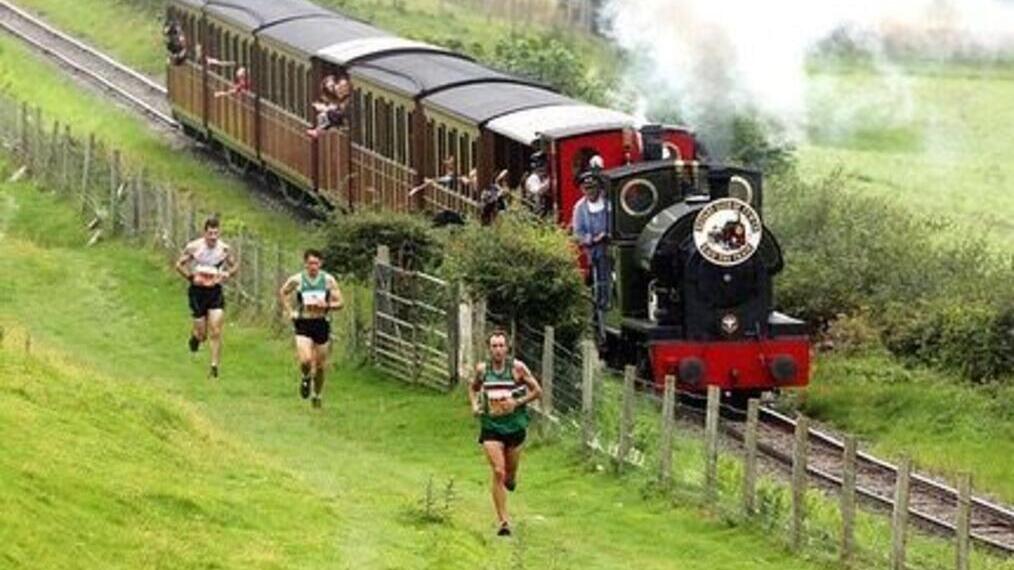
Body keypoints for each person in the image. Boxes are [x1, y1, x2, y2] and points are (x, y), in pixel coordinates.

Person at [468, 329, 542, 537]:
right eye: (494, 346)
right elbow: (473, 388)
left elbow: (537, 391)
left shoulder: (517, 368)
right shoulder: (483, 370)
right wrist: (474, 405)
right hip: (491, 427)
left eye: (501, 346)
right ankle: (503, 521)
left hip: (515, 427)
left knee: (509, 474)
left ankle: (512, 477)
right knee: (498, 471)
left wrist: (516, 402)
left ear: (507, 348)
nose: (498, 350)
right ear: (489, 349)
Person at [278, 249, 344, 409]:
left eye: (315, 263)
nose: (312, 266)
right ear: (305, 264)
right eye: (309, 263)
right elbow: (283, 292)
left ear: (320, 264)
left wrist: (327, 305)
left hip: (321, 323)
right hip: (303, 323)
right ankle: (306, 376)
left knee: (321, 366)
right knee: (306, 360)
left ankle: (317, 394)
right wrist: (289, 311)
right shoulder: (297, 279)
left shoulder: (328, 280)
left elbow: (340, 302)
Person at [174, 217, 238, 379]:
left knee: (216, 330)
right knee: (202, 335)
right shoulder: (194, 247)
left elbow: (235, 265)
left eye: (216, 233)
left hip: (215, 292)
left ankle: (214, 366)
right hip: (197, 293)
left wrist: (226, 275)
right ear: (204, 233)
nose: (213, 237)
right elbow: (179, 265)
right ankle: (195, 338)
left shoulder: (224, 249)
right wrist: (190, 278)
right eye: (210, 233)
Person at [571, 171, 611, 343]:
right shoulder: (579, 208)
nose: (590, 192)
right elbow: (577, 233)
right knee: (597, 291)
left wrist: (608, 234)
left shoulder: (609, 205)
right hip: (593, 254)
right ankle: (600, 329)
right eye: (586, 188)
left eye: (593, 188)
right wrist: (592, 239)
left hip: (610, 250)